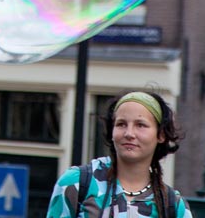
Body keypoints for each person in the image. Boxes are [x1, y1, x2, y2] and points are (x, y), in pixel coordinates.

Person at [47, 90, 193, 218]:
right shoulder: (76, 183)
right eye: (121, 124)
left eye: (140, 125)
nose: (129, 133)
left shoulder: (173, 205)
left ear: (160, 135)